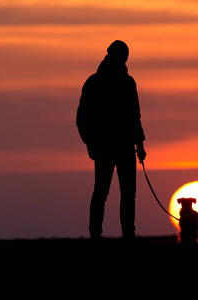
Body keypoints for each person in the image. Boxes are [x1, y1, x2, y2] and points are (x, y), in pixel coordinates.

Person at [76, 40, 146, 241]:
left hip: (121, 146)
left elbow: (134, 116)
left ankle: (125, 234)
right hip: (108, 146)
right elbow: (83, 116)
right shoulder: (98, 82)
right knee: (104, 192)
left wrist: (139, 144)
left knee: (122, 193)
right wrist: (90, 142)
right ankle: (99, 234)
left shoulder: (123, 82)